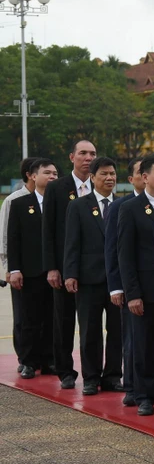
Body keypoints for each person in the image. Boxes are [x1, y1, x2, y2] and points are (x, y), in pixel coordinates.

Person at [118, 155, 154, 416]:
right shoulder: (130, 208)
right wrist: (132, 293)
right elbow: (125, 254)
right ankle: (143, 395)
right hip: (144, 289)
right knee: (144, 345)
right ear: (145, 177)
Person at [63, 156, 122, 396]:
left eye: (112, 174)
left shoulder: (122, 205)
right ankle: (91, 377)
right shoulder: (78, 205)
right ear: (93, 177)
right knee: (90, 330)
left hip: (117, 281)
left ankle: (113, 376)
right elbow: (72, 243)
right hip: (88, 279)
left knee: (117, 331)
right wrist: (70, 273)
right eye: (104, 174)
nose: (109, 178)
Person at [43, 139, 96, 389]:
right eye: (83, 153)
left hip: (94, 269)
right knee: (64, 320)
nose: (88, 158)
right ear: (71, 157)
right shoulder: (57, 188)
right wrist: (52, 267)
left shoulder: (101, 185)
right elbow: (48, 231)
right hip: (65, 267)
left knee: (92, 324)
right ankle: (65, 370)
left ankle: (96, 373)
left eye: (93, 154)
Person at [8, 158, 58, 379]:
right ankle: (28, 361)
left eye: (55, 173)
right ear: (33, 176)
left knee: (52, 319)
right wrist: (14, 269)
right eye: (47, 173)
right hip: (30, 271)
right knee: (29, 319)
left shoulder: (63, 203)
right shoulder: (19, 204)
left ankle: (49, 360)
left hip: (55, 271)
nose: (52, 177)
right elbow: (13, 239)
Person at [106, 158, 145, 406]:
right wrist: (117, 286)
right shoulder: (121, 206)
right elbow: (112, 250)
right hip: (132, 285)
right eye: (141, 172)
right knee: (132, 339)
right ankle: (131, 386)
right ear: (131, 179)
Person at [1, 157, 38, 373]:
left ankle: (42, 357)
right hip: (20, 268)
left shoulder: (49, 199)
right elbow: (6, 236)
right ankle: (25, 358)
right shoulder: (14, 200)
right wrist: (9, 267)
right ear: (30, 174)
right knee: (23, 316)